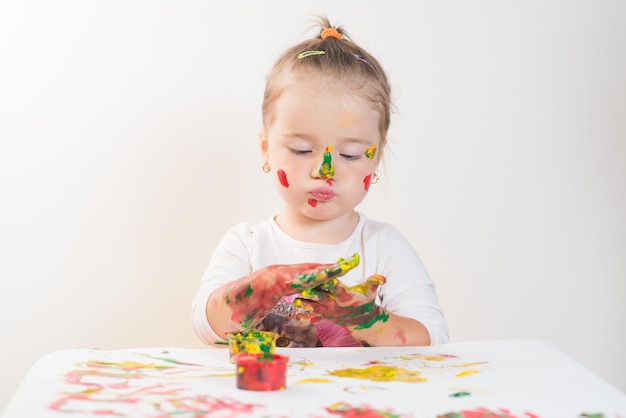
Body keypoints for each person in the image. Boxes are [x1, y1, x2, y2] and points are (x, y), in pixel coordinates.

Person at [191, 16, 448, 348]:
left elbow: (435, 338)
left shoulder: (383, 246)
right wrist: (267, 285)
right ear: (266, 149)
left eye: (352, 154)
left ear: (376, 158)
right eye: (302, 150)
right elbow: (206, 324)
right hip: (270, 396)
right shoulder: (247, 245)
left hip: (360, 398)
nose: (325, 171)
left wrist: (368, 321)